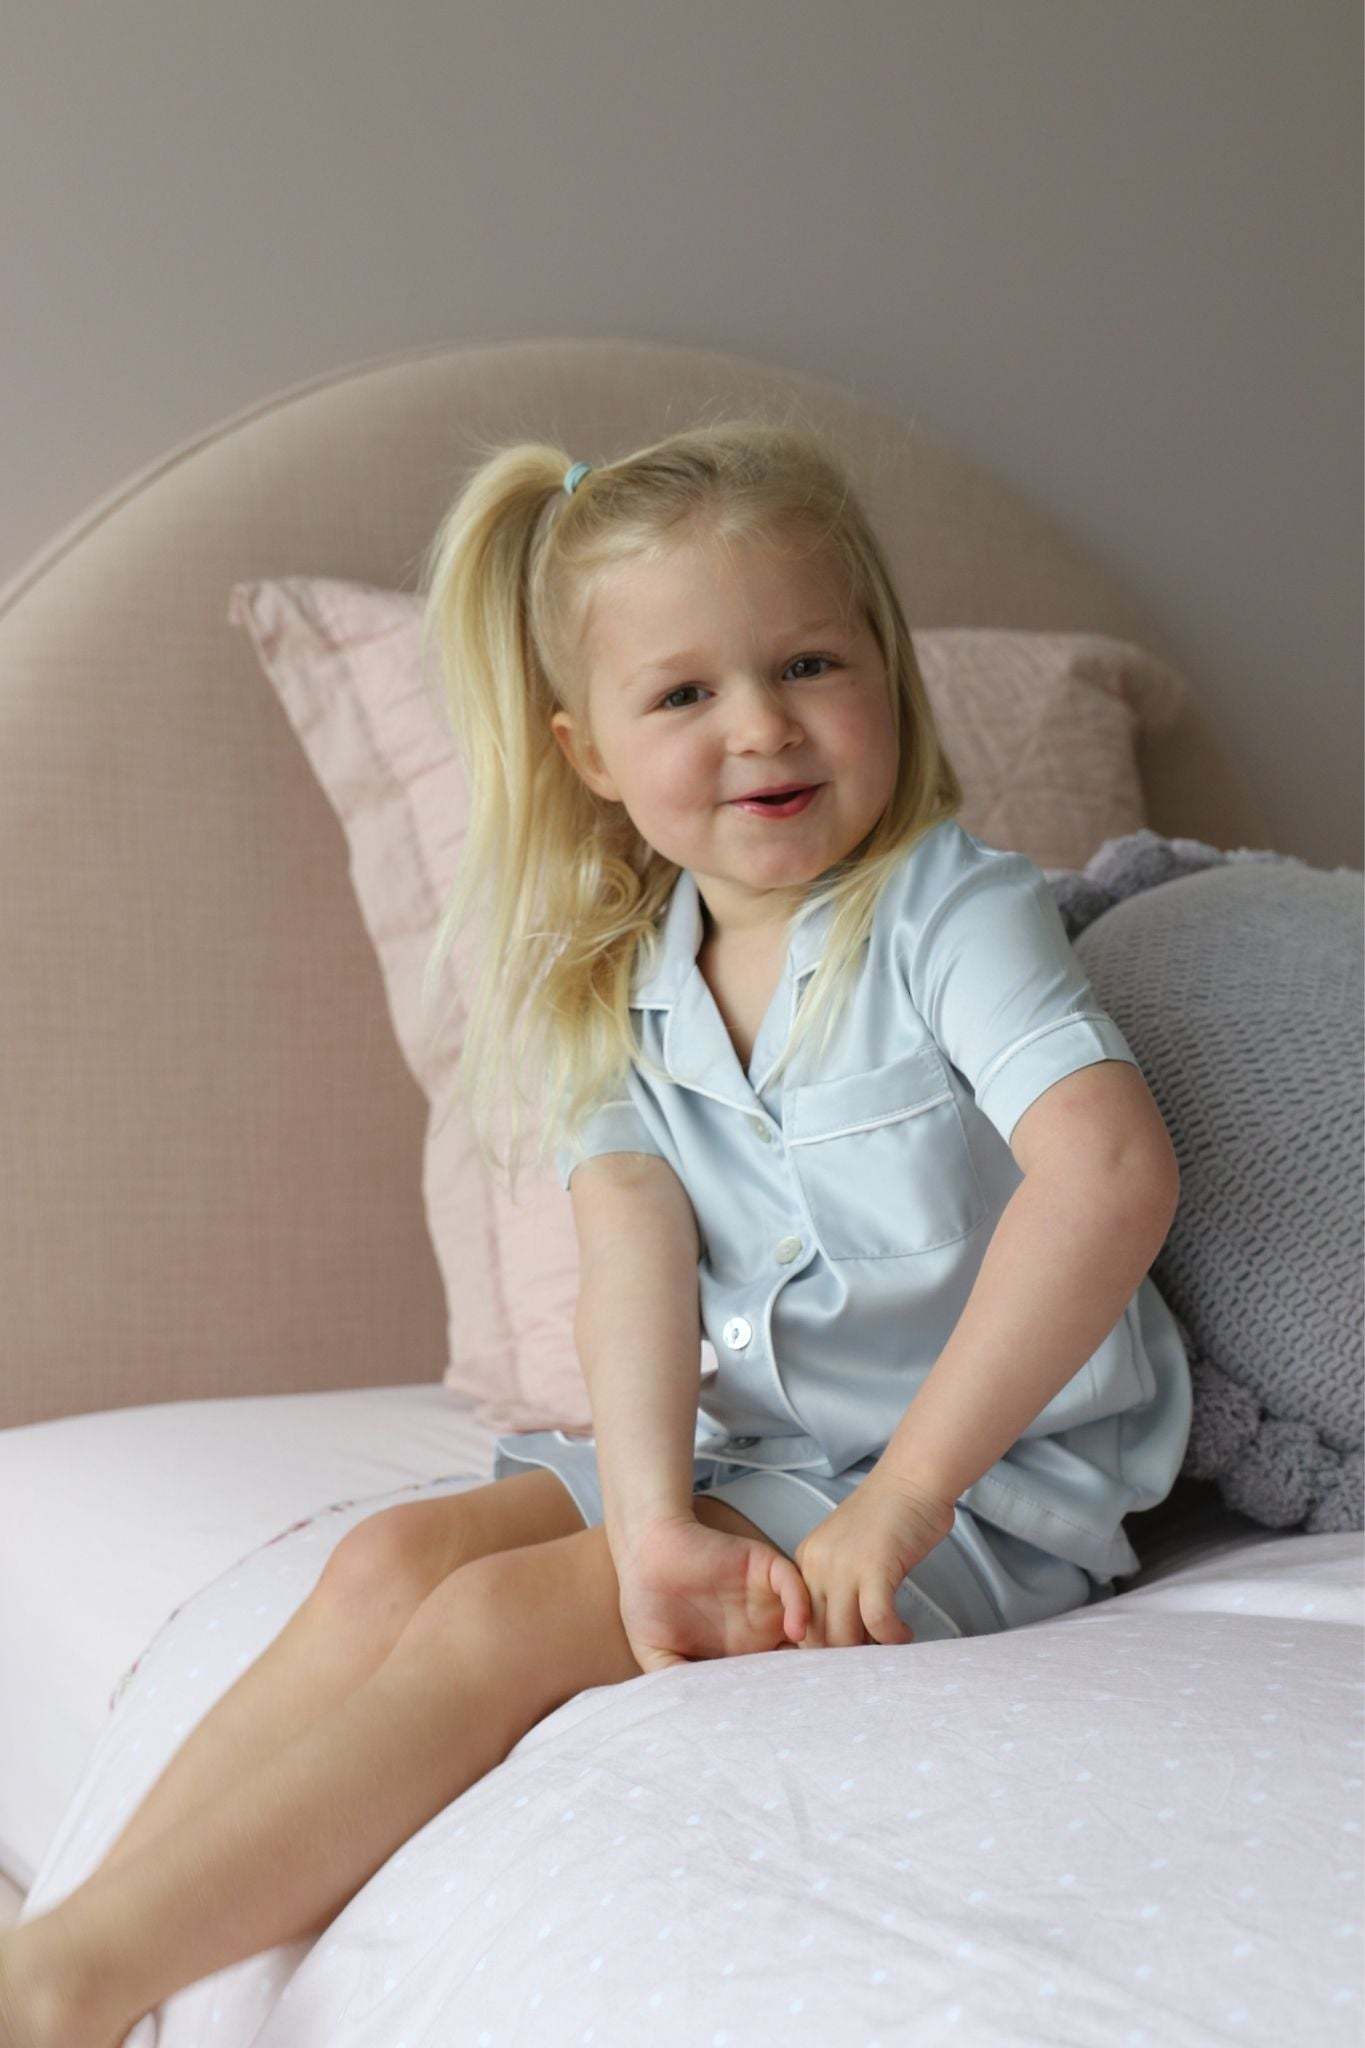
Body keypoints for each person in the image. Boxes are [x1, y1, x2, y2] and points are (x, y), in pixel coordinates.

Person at [0, 420, 1192, 2047]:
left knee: (494, 1626)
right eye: (683, 693)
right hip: (761, 1454)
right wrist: (646, 1528)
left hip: (975, 1493)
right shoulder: (627, 977)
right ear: (590, 754)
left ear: (886, 675)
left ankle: (71, 1992)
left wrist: (902, 1505)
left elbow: (1105, 1174)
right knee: (384, 1563)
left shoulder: (948, 914)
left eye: (808, 664)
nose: (760, 725)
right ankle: (69, 1939)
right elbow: (631, 1259)